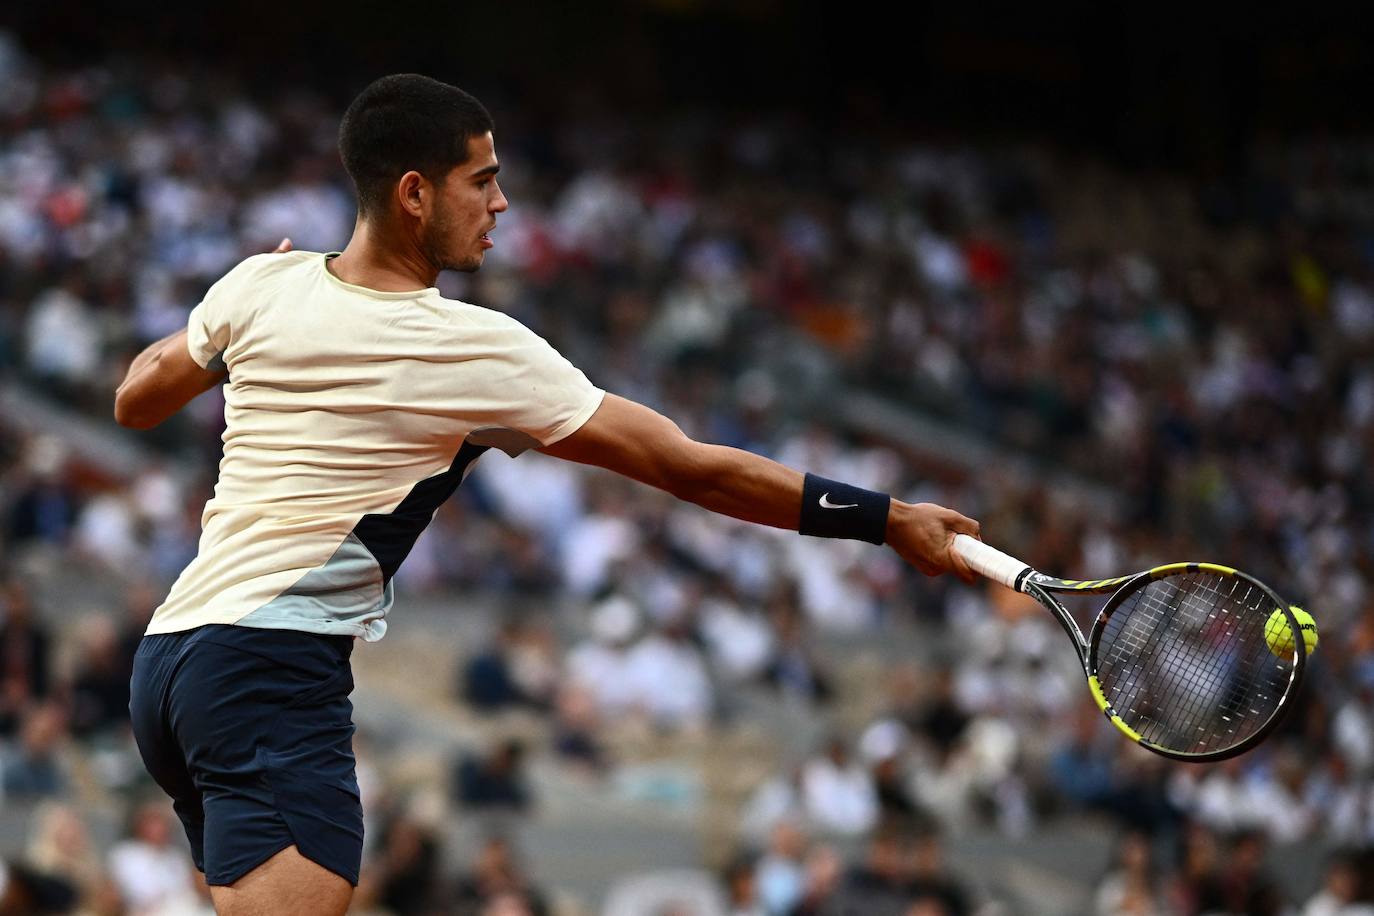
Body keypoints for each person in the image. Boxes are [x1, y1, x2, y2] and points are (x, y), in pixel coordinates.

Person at [115, 73, 981, 916]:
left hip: (170, 661)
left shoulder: (261, 284)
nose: (501, 205)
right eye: (482, 181)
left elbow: (137, 397)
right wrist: (889, 519)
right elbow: (688, 466)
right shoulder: (471, 347)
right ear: (415, 193)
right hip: (269, 667)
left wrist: (241, 304)